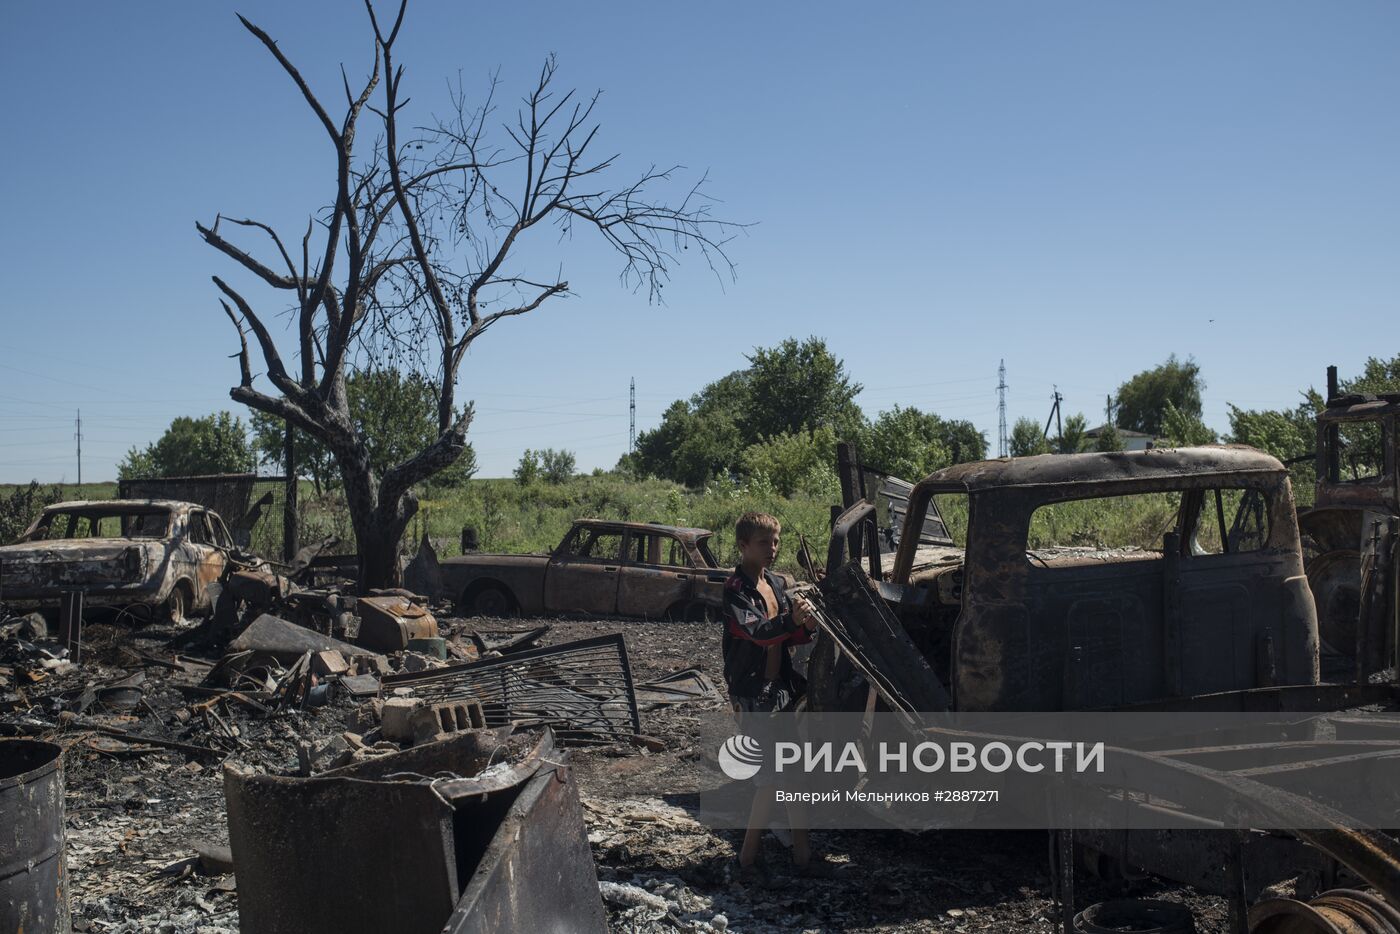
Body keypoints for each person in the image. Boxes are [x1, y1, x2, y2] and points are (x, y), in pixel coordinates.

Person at [722, 511, 837, 881]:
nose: (772, 549)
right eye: (763, 542)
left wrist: (805, 625)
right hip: (755, 696)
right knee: (770, 781)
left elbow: (787, 638)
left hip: (780, 694)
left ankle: (803, 859)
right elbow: (759, 633)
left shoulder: (773, 582)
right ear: (743, 545)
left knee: (793, 778)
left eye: (775, 541)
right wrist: (792, 621)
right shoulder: (736, 590)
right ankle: (745, 863)